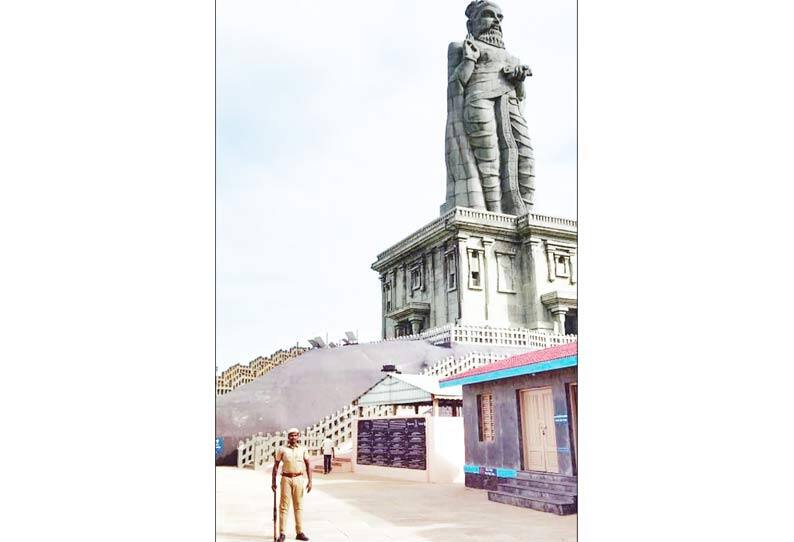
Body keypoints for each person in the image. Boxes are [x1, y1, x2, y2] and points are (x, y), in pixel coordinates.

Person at [443, 0, 535, 216]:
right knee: (489, 161)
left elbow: (521, 96)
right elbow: (455, 84)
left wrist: (519, 78)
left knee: (525, 156)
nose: (496, 21)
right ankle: (493, 215)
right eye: (488, 15)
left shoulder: (512, 57)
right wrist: (469, 59)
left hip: (510, 104)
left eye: (499, 17)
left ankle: (526, 213)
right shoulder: (459, 47)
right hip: (478, 102)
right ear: (471, 24)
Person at [272, 428, 312, 542]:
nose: (293, 437)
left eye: (295, 435)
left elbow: (308, 465)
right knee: (284, 506)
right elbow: (275, 466)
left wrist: (310, 481)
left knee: (298, 506)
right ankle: (282, 533)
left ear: (298, 436)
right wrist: (273, 482)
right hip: (286, 479)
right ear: (288, 437)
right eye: (291, 436)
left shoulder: (303, 449)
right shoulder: (282, 449)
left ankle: (299, 532)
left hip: (299, 478)